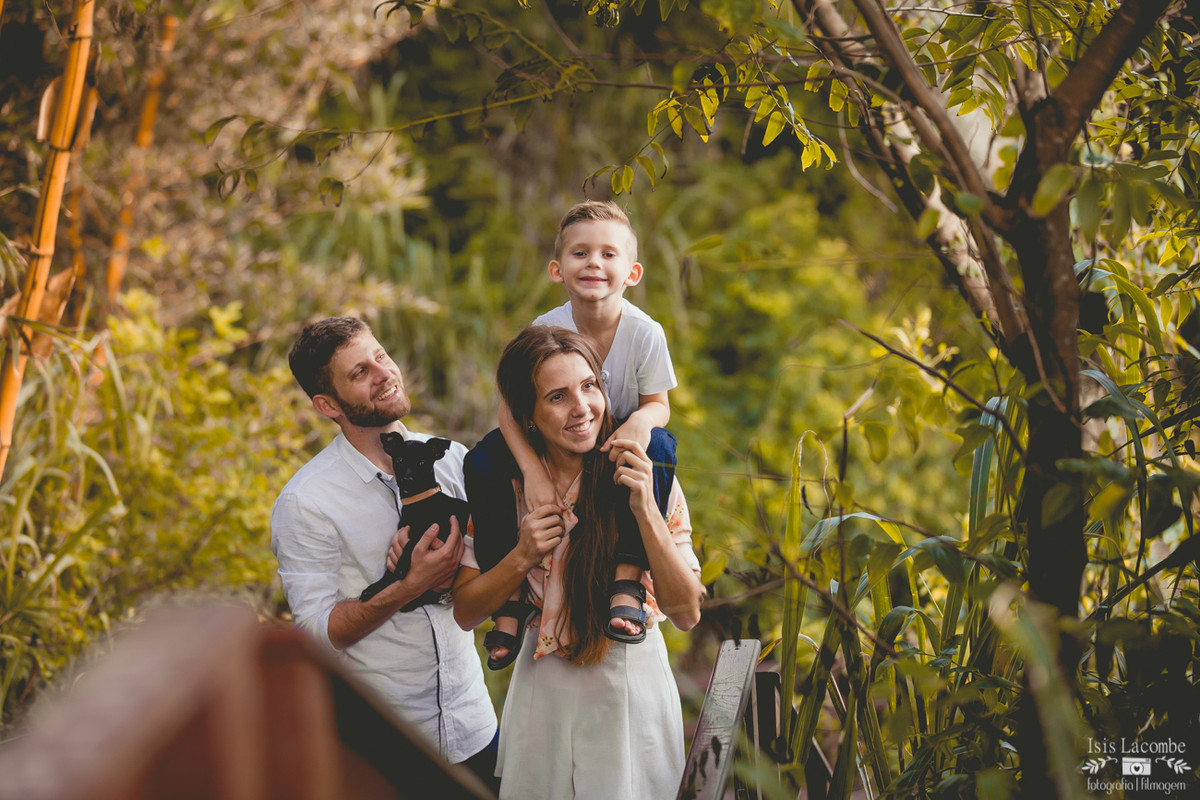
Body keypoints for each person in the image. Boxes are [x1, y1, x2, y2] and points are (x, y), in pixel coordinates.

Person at [451, 325, 705, 799]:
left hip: (629, 688)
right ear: (528, 416)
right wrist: (521, 555)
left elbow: (687, 613)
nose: (582, 408)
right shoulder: (503, 490)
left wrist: (646, 509)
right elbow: (466, 612)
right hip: (540, 691)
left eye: (589, 387)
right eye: (557, 397)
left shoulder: (644, 469)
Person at [270, 316, 499, 787]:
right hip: (386, 748)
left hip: (477, 728)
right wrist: (407, 586)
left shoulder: (453, 458)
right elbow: (314, 637)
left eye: (381, 356)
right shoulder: (306, 501)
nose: (384, 373)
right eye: (360, 373)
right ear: (327, 405)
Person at [469, 200, 679, 668]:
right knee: (481, 459)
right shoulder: (545, 329)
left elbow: (658, 405)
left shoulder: (646, 333)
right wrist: (532, 472)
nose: (594, 264)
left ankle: (627, 578)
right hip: (558, 438)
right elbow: (509, 412)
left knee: (662, 447)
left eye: (609, 254)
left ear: (633, 272)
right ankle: (509, 602)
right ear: (556, 269)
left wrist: (638, 426)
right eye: (580, 254)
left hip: (612, 439)